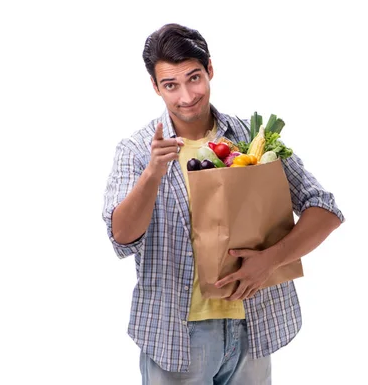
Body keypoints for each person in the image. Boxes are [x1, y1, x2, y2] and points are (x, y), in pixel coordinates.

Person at [102, 23, 345, 384]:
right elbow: (121, 237)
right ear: (155, 87)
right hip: (177, 336)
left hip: (254, 325)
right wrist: (153, 173)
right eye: (171, 85)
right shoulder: (137, 151)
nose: (186, 96)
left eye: (194, 78)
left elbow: (325, 208)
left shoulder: (253, 138)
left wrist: (271, 260)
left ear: (210, 70)